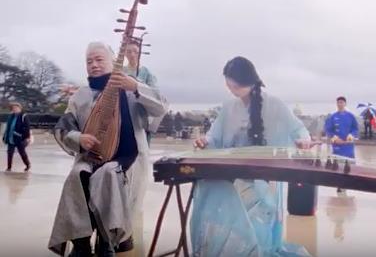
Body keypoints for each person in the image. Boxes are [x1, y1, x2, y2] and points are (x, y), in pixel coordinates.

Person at [48, 42, 168, 256]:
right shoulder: (80, 96)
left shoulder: (131, 88)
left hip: (127, 159)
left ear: (113, 62)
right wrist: (79, 138)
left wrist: (136, 87)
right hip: (91, 158)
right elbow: (64, 128)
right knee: (77, 175)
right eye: (89, 61)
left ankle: (107, 241)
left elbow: (161, 107)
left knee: (109, 174)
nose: (93, 65)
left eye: (99, 60)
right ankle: (81, 243)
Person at [192, 56, 312, 256]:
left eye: (233, 83)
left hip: (265, 178)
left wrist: (303, 140)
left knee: (258, 219)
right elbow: (214, 136)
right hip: (235, 175)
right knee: (209, 185)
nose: (229, 87)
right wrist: (205, 142)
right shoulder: (229, 107)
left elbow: (299, 129)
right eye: (228, 82)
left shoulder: (274, 104)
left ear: (246, 81)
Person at [124, 39, 161, 145]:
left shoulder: (146, 72)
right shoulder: (121, 71)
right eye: (129, 51)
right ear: (125, 53)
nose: (132, 54)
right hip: (124, 117)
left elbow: (155, 94)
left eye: (135, 51)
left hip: (142, 117)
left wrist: (138, 85)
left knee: (142, 151)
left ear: (139, 53)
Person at [325, 96, 359, 193]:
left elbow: (355, 128)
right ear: (337, 104)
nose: (340, 104)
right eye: (338, 102)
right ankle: (339, 184)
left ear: (345, 104)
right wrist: (334, 138)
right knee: (338, 165)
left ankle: (347, 183)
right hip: (337, 144)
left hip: (348, 144)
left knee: (348, 165)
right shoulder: (333, 116)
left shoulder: (351, 116)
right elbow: (328, 129)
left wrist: (351, 135)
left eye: (341, 102)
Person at [2, 102, 31, 172]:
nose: (15, 109)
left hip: (19, 138)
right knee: (9, 153)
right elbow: (8, 127)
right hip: (11, 137)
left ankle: (27, 164)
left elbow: (27, 127)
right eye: (13, 108)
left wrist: (26, 137)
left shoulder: (24, 116)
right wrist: (4, 136)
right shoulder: (11, 116)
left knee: (22, 152)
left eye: (16, 108)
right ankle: (9, 167)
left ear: (20, 108)